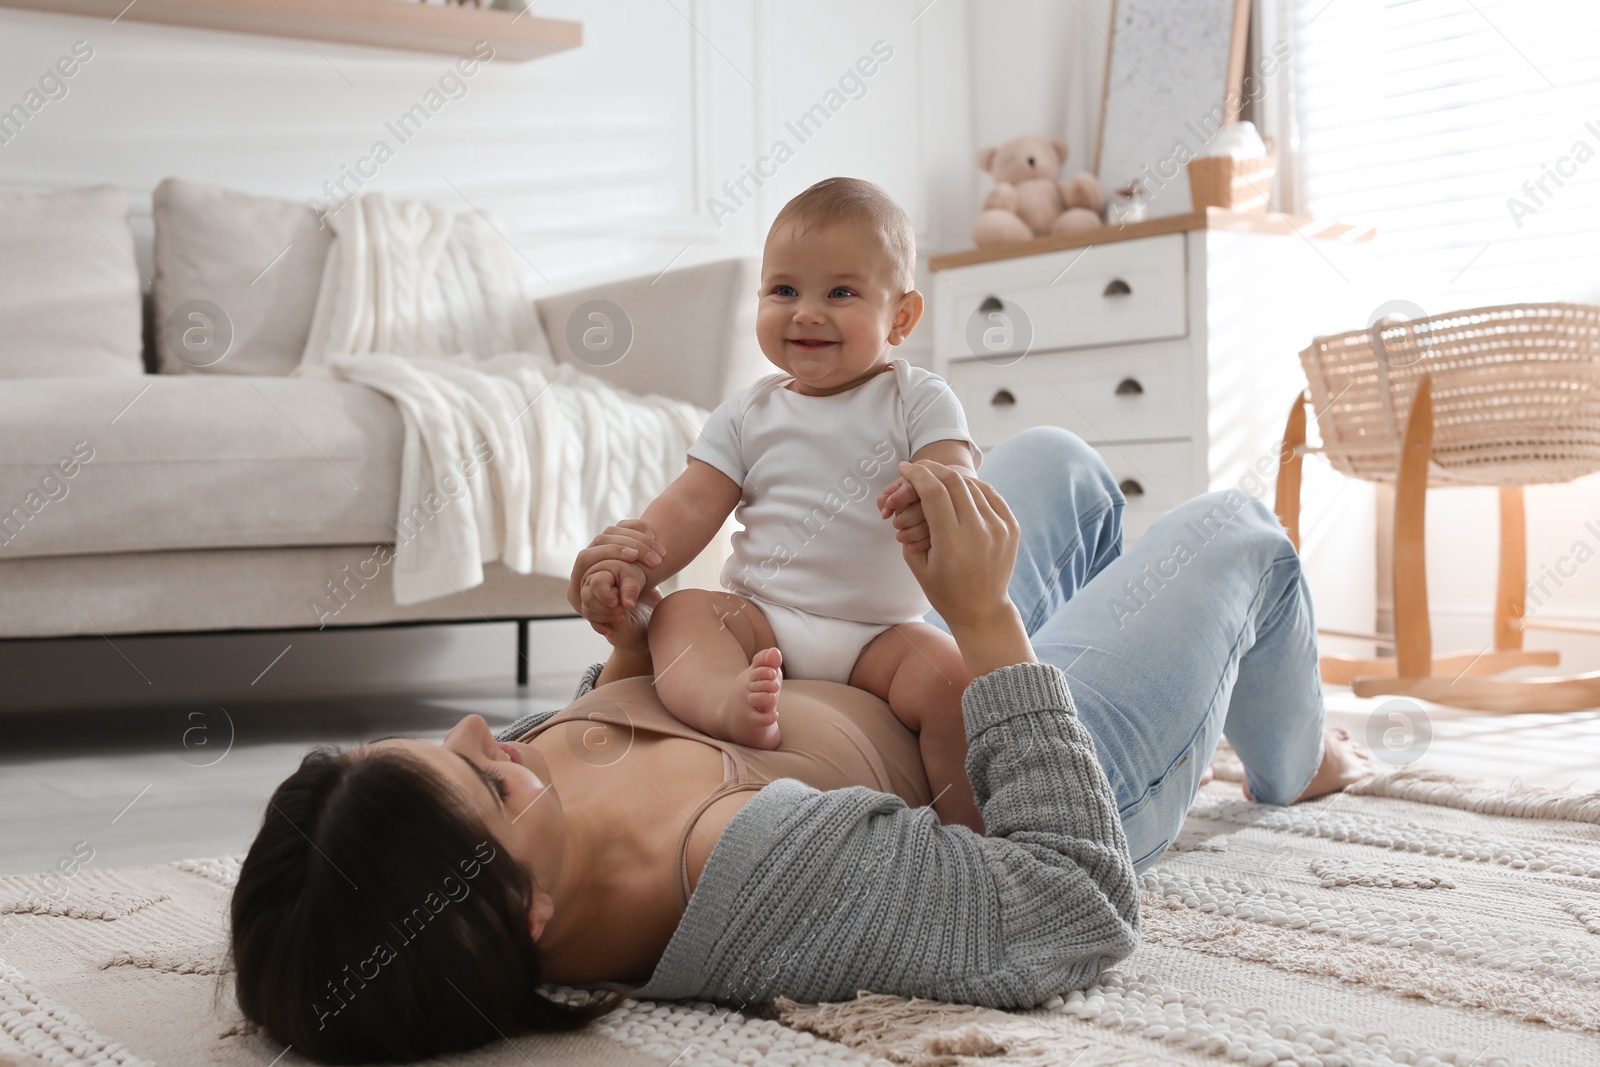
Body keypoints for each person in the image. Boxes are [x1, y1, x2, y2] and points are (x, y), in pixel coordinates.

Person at [229, 427, 1375, 1066]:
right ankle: (1289, 758)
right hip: (1030, 752)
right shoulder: (749, 874)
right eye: (485, 771)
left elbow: (644, 710)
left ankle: (1173, 677)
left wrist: (633, 629)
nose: (490, 728)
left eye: (444, 739)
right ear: (524, 913)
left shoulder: (521, 825)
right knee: (1243, 536)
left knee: (1056, 469)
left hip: (885, 662)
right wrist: (986, 624)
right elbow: (1073, 901)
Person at [573, 177, 986, 830]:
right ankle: (725, 700)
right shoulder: (748, 412)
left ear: (901, 317)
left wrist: (929, 491)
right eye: (784, 290)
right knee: (680, 616)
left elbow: (953, 472)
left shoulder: (920, 399)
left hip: (880, 633)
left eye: (841, 293)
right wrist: (636, 563)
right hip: (761, 617)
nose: (808, 312)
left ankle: (965, 828)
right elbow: (689, 505)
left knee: (955, 681)